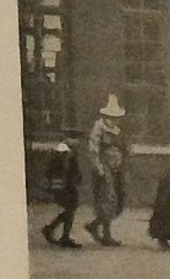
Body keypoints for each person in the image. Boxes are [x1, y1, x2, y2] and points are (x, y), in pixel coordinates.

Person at [83, 94, 128, 247]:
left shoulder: (118, 130)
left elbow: (123, 146)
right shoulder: (99, 128)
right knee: (108, 199)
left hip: (117, 167)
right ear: (106, 116)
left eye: (116, 117)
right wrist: (100, 169)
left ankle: (95, 226)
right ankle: (105, 233)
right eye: (112, 117)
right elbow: (93, 150)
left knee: (119, 199)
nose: (114, 120)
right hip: (104, 168)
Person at [38, 132, 84, 248]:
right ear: (67, 139)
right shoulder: (62, 151)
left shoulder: (71, 151)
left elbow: (73, 169)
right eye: (74, 138)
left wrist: (76, 178)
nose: (77, 141)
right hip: (60, 185)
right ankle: (58, 233)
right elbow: (54, 170)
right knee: (70, 208)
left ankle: (55, 230)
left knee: (71, 208)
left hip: (68, 185)